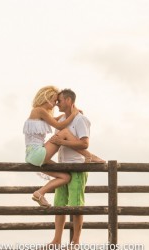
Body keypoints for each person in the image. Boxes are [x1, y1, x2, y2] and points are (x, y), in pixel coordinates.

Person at [23, 86, 104, 208]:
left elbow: (56, 120)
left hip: (32, 155)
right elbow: (60, 125)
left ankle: (39, 193)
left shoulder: (41, 114)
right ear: (47, 98)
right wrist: (74, 114)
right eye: (54, 100)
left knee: (65, 177)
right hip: (36, 152)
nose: (55, 104)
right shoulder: (38, 110)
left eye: (57, 101)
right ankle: (89, 155)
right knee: (65, 132)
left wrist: (73, 114)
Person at [48, 88, 104, 246]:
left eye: (59, 100)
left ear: (69, 101)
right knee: (59, 205)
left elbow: (85, 143)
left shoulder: (81, 120)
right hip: (62, 167)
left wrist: (63, 142)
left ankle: (75, 241)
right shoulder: (60, 121)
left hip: (77, 166)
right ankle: (56, 240)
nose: (57, 103)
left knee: (76, 205)